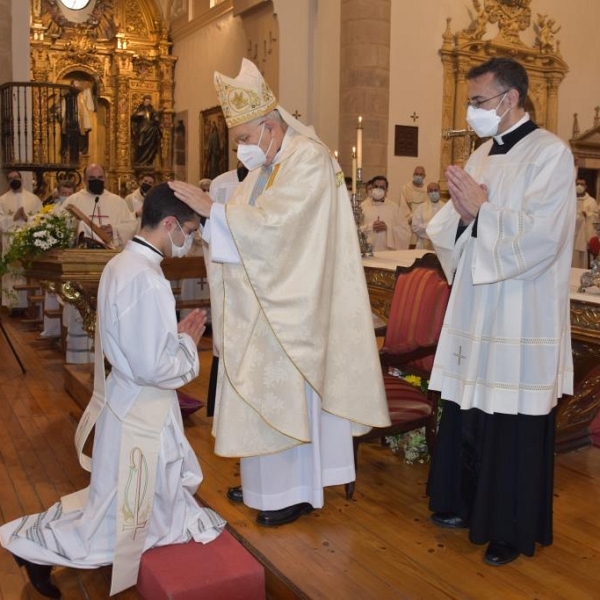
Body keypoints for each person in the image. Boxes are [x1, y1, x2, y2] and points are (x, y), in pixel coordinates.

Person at [169, 58, 390, 527]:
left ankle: (295, 491)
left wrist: (215, 211)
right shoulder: (270, 164)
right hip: (264, 303)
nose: (243, 149)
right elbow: (248, 228)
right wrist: (210, 221)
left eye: (246, 139)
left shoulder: (307, 159)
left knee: (287, 399)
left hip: (294, 308)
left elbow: (278, 230)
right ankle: (263, 483)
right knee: (263, 398)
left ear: (270, 126)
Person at [0, 183, 225, 598]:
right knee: (124, 520)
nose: (190, 241)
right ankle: (36, 549)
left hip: (129, 404)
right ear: (171, 224)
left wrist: (170, 336)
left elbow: (135, 344)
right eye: (190, 231)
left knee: (122, 503)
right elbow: (153, 366)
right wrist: (188, 345)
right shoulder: (146, 278)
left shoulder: (122, 264)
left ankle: (35, 544)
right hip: (142, 410)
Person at [425, 57, 575, 567]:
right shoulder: (482, 154)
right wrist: (468, 216)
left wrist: (483, 212)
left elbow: (544, 238)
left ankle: (508, 528)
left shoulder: (551, 154)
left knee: (510, 416)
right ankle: (462, 503)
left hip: (519, 310)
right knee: (471, 406)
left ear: (510, 99)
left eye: (478, 101)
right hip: (478, 306)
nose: (471, 111)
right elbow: (448, 227)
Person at [64, 163, 137, 363]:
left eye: (100, 177)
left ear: (105, 178)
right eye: (92, 178)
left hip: (110, 265)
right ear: (85, 179)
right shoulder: (73, 201)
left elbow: (132, 225)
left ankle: (110, 357)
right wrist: (78, 229)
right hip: (81, 266)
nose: (97, 181)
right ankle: (80, 358)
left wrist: (114, 229)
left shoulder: (118, 202)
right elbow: (60, 226)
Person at [0, 170, 43, 309]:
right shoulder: (2, 200)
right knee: (12, 272)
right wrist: (13, 218)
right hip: (10, 242)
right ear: (8, 181)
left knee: (27, 273)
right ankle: (13, 306)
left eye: (16, 177)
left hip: (28, 242)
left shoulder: (33, 199)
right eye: (11, 178)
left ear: (21, 178)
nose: (14, 180)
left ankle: (30, 305)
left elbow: (41, 219)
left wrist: (26, 218)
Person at [40, 180, 76, 338]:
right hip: (55, 258)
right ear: (58, 193)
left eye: (69, 194)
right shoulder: (51, 210)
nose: (66, 197)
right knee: (52, 294)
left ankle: (68, 331)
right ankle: (53, 329)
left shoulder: (77, 210)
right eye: (63, 194)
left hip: (72, 258)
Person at [360, 175, 410, 250]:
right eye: (376, 186)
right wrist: (370, 226)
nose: (378, 189)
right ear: (371, 189)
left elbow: (405, 233)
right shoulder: (362, 207)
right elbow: (354, 230)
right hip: (368, 252)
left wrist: (388, 228)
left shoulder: (394, 208)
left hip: (388, 253)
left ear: (386, 191)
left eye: (382, 187)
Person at [572, 177, 598, 268]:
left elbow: (596, 217)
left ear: (586, 186)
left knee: (581, 260)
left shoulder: (591, 201)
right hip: (571, 236)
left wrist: (586, 214)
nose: (579, 186)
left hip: (584, 235)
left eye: (582, 184)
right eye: (577, 184)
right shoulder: (570, 200)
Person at [411, 181, 444, 250]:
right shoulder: (421, 208)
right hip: (423, 243)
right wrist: (430, 226)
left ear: (440, 191)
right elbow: (415, 226)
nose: (433, 193)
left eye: (435, 190)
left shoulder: (446, 207)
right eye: (431, 191)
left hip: (441, 244)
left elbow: (449, 226)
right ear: (427, 193)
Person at [131, 95, 163, 166]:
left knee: (150, 146)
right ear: (143, 101)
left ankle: (147, 161)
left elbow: (155, 117)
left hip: (150, 130)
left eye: (149, 101)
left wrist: (157, 118)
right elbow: (133, 117)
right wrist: (138, 115)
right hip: (142, 130)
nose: (147, 102)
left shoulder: (151, 109)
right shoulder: (140, 109)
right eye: (146, 101)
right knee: (140, 144)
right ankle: (139, 161)